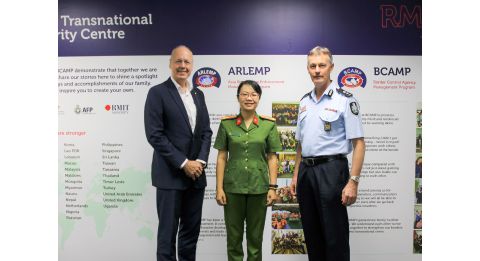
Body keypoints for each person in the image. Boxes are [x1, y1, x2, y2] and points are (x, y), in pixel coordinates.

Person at [289, 46, 365, 261]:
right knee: (312, 235)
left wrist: (354, 181)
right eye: (312, 66)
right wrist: (295, 174)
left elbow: (359, 143)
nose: (317, 70)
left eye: (322, 65)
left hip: (332, 171)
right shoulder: (304, 101)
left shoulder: (345, 99)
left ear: (331, 67)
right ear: (307, 69)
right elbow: (300, 144)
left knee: (335, 235)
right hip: (306, 171)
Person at [144, 45, 212, 261]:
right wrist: (184, 163)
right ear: (170, 64)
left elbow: (206, 132)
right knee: (167, 237)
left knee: (190, 235)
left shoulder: (198, 94)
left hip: (196, 177)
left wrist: (199, 161)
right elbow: (155, 135)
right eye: (179, 61)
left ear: (192, 65)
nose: (183, 66)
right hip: (170, 176)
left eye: (187, 62)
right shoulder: (157, 93)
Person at [214, 80, 282, 261]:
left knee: (255, 240)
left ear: (259, 98)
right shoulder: (227, 124)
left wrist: (272, 187)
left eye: (253, 94)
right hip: (232, 189)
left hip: (258, 188)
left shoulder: (268, 125)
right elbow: (221, 157)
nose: (249, 98)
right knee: (234, 240)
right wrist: (219, 188)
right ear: (238, 97)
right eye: (244, 94)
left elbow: (272, 157)